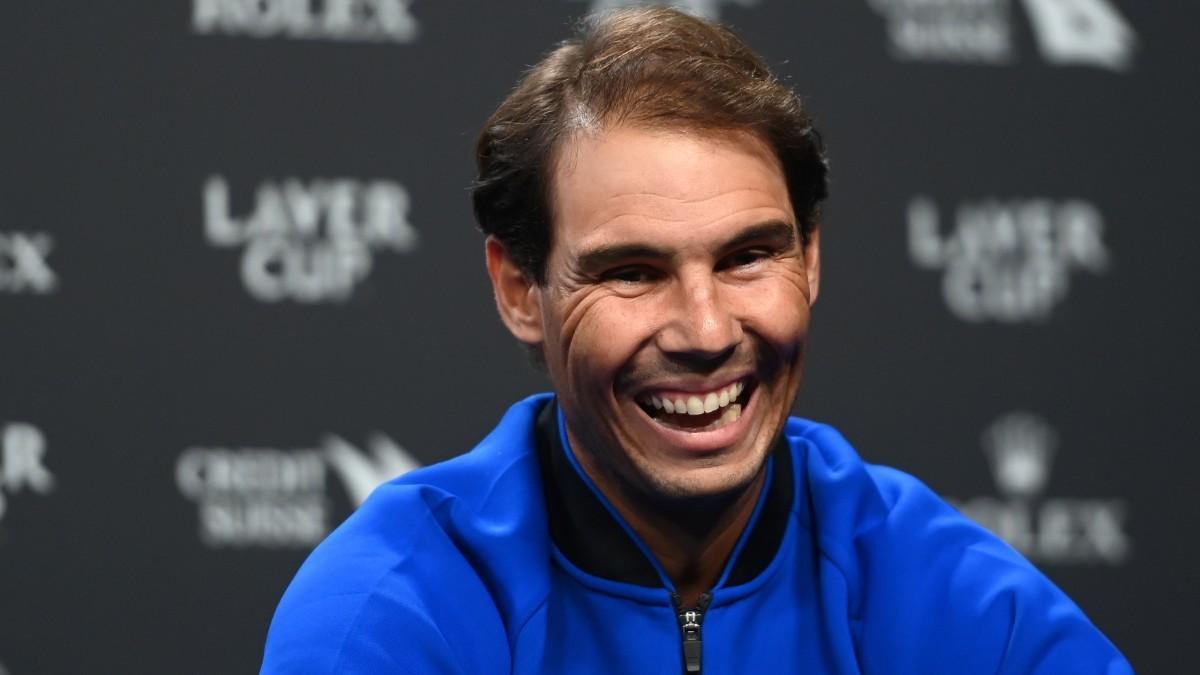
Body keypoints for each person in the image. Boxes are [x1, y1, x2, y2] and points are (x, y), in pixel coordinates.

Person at [261, 8, 1131, 674]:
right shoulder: (388, 612)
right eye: (632, 272)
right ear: (520, 289)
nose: (708, 331)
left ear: (812, 258)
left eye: (750, 256)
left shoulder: (947, 592)